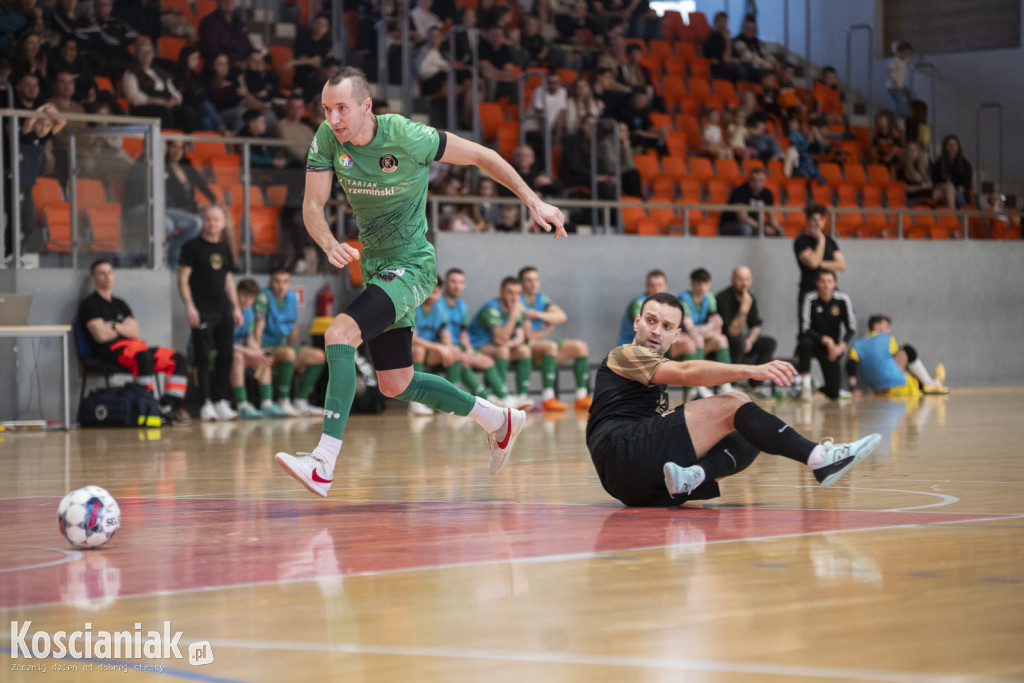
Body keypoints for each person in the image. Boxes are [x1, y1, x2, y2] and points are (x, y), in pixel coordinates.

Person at [274, 67, 565, 496]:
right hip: (376, 268)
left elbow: (483, 156)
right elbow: (312, 205)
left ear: (366, 106)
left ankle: (323, 462)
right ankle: (498, 420)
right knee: (397, 383)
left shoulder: (408, 136)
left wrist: (534, 201)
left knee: (340, 333)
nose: (333, 118)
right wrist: (328, 241)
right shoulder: (327, 138)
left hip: (412, 265)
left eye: (342, 109)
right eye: (327, 109)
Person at [586, 292, 881, 507]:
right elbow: (687, 371)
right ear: (637, 323)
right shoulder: (624, 353)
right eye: (650, 321)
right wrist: (752, 369)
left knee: (751, 427)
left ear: (676, 336)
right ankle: (820, 458)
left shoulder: (653, 367)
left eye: (666, 326)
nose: (655, 330)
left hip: (643, 486)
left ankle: (694, 476)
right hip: (619, 452)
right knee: (735, 402)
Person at [78, 259, 192, 426]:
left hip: (136, 347)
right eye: (101, 273)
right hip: (110, 351)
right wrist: (121, 327)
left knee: (178, 359)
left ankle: (169, 406)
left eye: (109, 272)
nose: (107, 277)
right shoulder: (90, 305)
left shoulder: (120, 304)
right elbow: (100, 335)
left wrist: (112, 325)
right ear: (93, 278)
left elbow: (135, 332)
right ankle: (147, 407)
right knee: (143, 358)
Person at [177, 204, 245, 421]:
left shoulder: (225, 249)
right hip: (202, 310)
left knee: (226, 355)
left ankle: (221, 400)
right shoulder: (191, 247)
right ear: (202, 221)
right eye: (208, 219)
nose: (212, 223)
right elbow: (182, 279)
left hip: (223, 309)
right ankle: (205, 402)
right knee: (203, 357)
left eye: (216, 220)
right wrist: (189, 306)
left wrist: (235, 307)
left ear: (223, 224)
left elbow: (228, 280)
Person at [253, 269, 327, 417]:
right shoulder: (263, 297)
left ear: (289, 283)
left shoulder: (292, 297)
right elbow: (258, 329)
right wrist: (257, 352)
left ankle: (301, 401)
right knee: (288, 353)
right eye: (277, 281)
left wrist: (297, 355)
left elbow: (293, 328)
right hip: (263, 346)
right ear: (270, 283)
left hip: (282, 347)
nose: (281, 286)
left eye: (285, 281)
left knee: (319, 355)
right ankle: (283, 401)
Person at [518, 265, 592, 411]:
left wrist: (538, 315)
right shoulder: (517, 301)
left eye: (536, 280)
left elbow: (561, 316)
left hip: (540, 344)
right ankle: (547, 397)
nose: (533, 283)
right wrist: (547, 328)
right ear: (521, 283)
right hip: (524, 347)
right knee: (550, 346)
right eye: (528, 280)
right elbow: (528, 336)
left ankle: (581, 396)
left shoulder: (542, 299)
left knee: (580, 347)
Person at [468, 276, 533, 409]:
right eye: (510, 293)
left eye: (518, 294)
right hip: (475, 346)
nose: (514, 298)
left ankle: (521, 396)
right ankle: (502, 395)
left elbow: (520, 338)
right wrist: (514, 315)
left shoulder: (516, 306)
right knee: (502, 350)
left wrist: (507, 343)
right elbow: (501, 335)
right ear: (501, 292)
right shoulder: (491, 309)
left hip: (498, 346)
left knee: (524, 350)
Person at [230, 278, 289, 419]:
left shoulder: (249, 312)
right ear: (236, 294)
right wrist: (248, 351)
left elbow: (249, 339)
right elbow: (225, 344)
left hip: (237, 349)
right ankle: (242, 405)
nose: (247, 301)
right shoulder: (229, 310)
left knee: (263, 355)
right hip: (220, 351)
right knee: (238, 356)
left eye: (251, 298)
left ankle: (266, 403)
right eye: (243, 296)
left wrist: (258, 352)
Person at [848, 314, 948, 396]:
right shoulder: (888, 339)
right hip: (897, 384)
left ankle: (931, 383)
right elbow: (900, 356)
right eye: (886, 327)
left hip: (876, 388)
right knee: (907, 350)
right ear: (876, 326)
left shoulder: (857, 345)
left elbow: (851, 364)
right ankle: (929, 383)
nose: (889, 331)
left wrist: (852, 389)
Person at [408, 275, 464, 415]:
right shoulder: (412, 307)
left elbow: (445, 335)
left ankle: (453, 399)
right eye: (431, 291)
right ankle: (415, 402)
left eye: (437, 292)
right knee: (418, 350)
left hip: (429, 350)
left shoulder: (439, 309)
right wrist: (440, 347)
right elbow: (413, 340)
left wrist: (448, 347)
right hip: (407, 351)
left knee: (454, 350)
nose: (433, 295)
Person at [716, 265, 776, 392]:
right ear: (732, 280)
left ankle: (754, 386)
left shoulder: (750, 298)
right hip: (726, 345)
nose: (744, 284)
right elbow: (732, 331)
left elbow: (756, 325)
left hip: (743, 342)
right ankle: (731, 385)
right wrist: (743, 308)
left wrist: (751, 339)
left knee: (769, 343)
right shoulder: (722, 298)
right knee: (738, 341)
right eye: (740, 279)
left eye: (747, 279)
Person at [797, 269, 855, 401]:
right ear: (817, 283)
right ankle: (805, 386)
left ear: (835, 283)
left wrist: (841, 346)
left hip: (832, 348)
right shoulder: (810, 298)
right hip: (813, 342)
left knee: (833, 393)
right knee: (805, 343)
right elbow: (805, 328)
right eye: (823, 281)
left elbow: (851, 328)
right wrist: (824, 339)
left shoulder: (843, 299)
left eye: (829, 281)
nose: (826, 285)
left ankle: (816, 389)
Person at [678, 268, 732, 399]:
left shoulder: (709, 297)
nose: (702, 287)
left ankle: (725, 384)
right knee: (697, 340)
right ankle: (696, 387)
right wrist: (708, 328)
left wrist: (703, 330)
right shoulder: (683, 300)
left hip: (698, 340)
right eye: (699, 283)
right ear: (692, 284)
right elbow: (689, 330)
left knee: (721, 339)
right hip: (680, 344)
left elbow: (718, 326)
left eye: (705, 283)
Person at [794, 204, 845, 319]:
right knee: (807, 327)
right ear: (808, 221)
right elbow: (813, 263)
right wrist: (821, 241)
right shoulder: (801, 242)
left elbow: (841, 265)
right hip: (809, 289)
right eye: (814, 220)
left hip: (829, 292)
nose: (817, 223)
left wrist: (821, 263)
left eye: (820, 219)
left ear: (824, 221)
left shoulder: (831, 242)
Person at [718, 167, 782, 237]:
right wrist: (763, 228)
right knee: (746, 229)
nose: (757, 184)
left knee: (781, 229)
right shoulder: (740, 191)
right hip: (731, 224)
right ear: (749, 180)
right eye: (754, 180)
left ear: (764, 181)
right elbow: (742, 218)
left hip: (754, 224)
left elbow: (771, 215)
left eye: (761, 181)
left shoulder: (767, 193)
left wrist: (776, 229)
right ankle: (745, 248)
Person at [619, 269, 666, 346]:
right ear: (647, 286)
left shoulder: (666, 304)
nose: (656, 289)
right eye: (653, 286)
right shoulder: (638, 303)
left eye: (659, 286)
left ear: (665, 286)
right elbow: (644, 328)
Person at [931, 134, 972, 209]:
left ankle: (953, 214)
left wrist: (957, 188)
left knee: (950, 189)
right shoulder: (939, 164)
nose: (953, 147)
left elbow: (967, 183)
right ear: (945, 147)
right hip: (943, 189)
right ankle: (953, 214)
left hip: (959, 192)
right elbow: (935, 180)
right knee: (944, 190)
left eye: (955, 145)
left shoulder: (965, 165)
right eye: (950, 145)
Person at [886, 41, 912, 120]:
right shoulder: (894, 60)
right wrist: (893, 81)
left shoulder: (904, 61)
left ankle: (909, 112)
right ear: (900, 52)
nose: (906, 55)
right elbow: (888, 71)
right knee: (900, 101)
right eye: (905, 53)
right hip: (892, 86)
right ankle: (899, 118)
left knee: (911, 94)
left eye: (908, 54)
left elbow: (910, 62)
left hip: (901, 86)